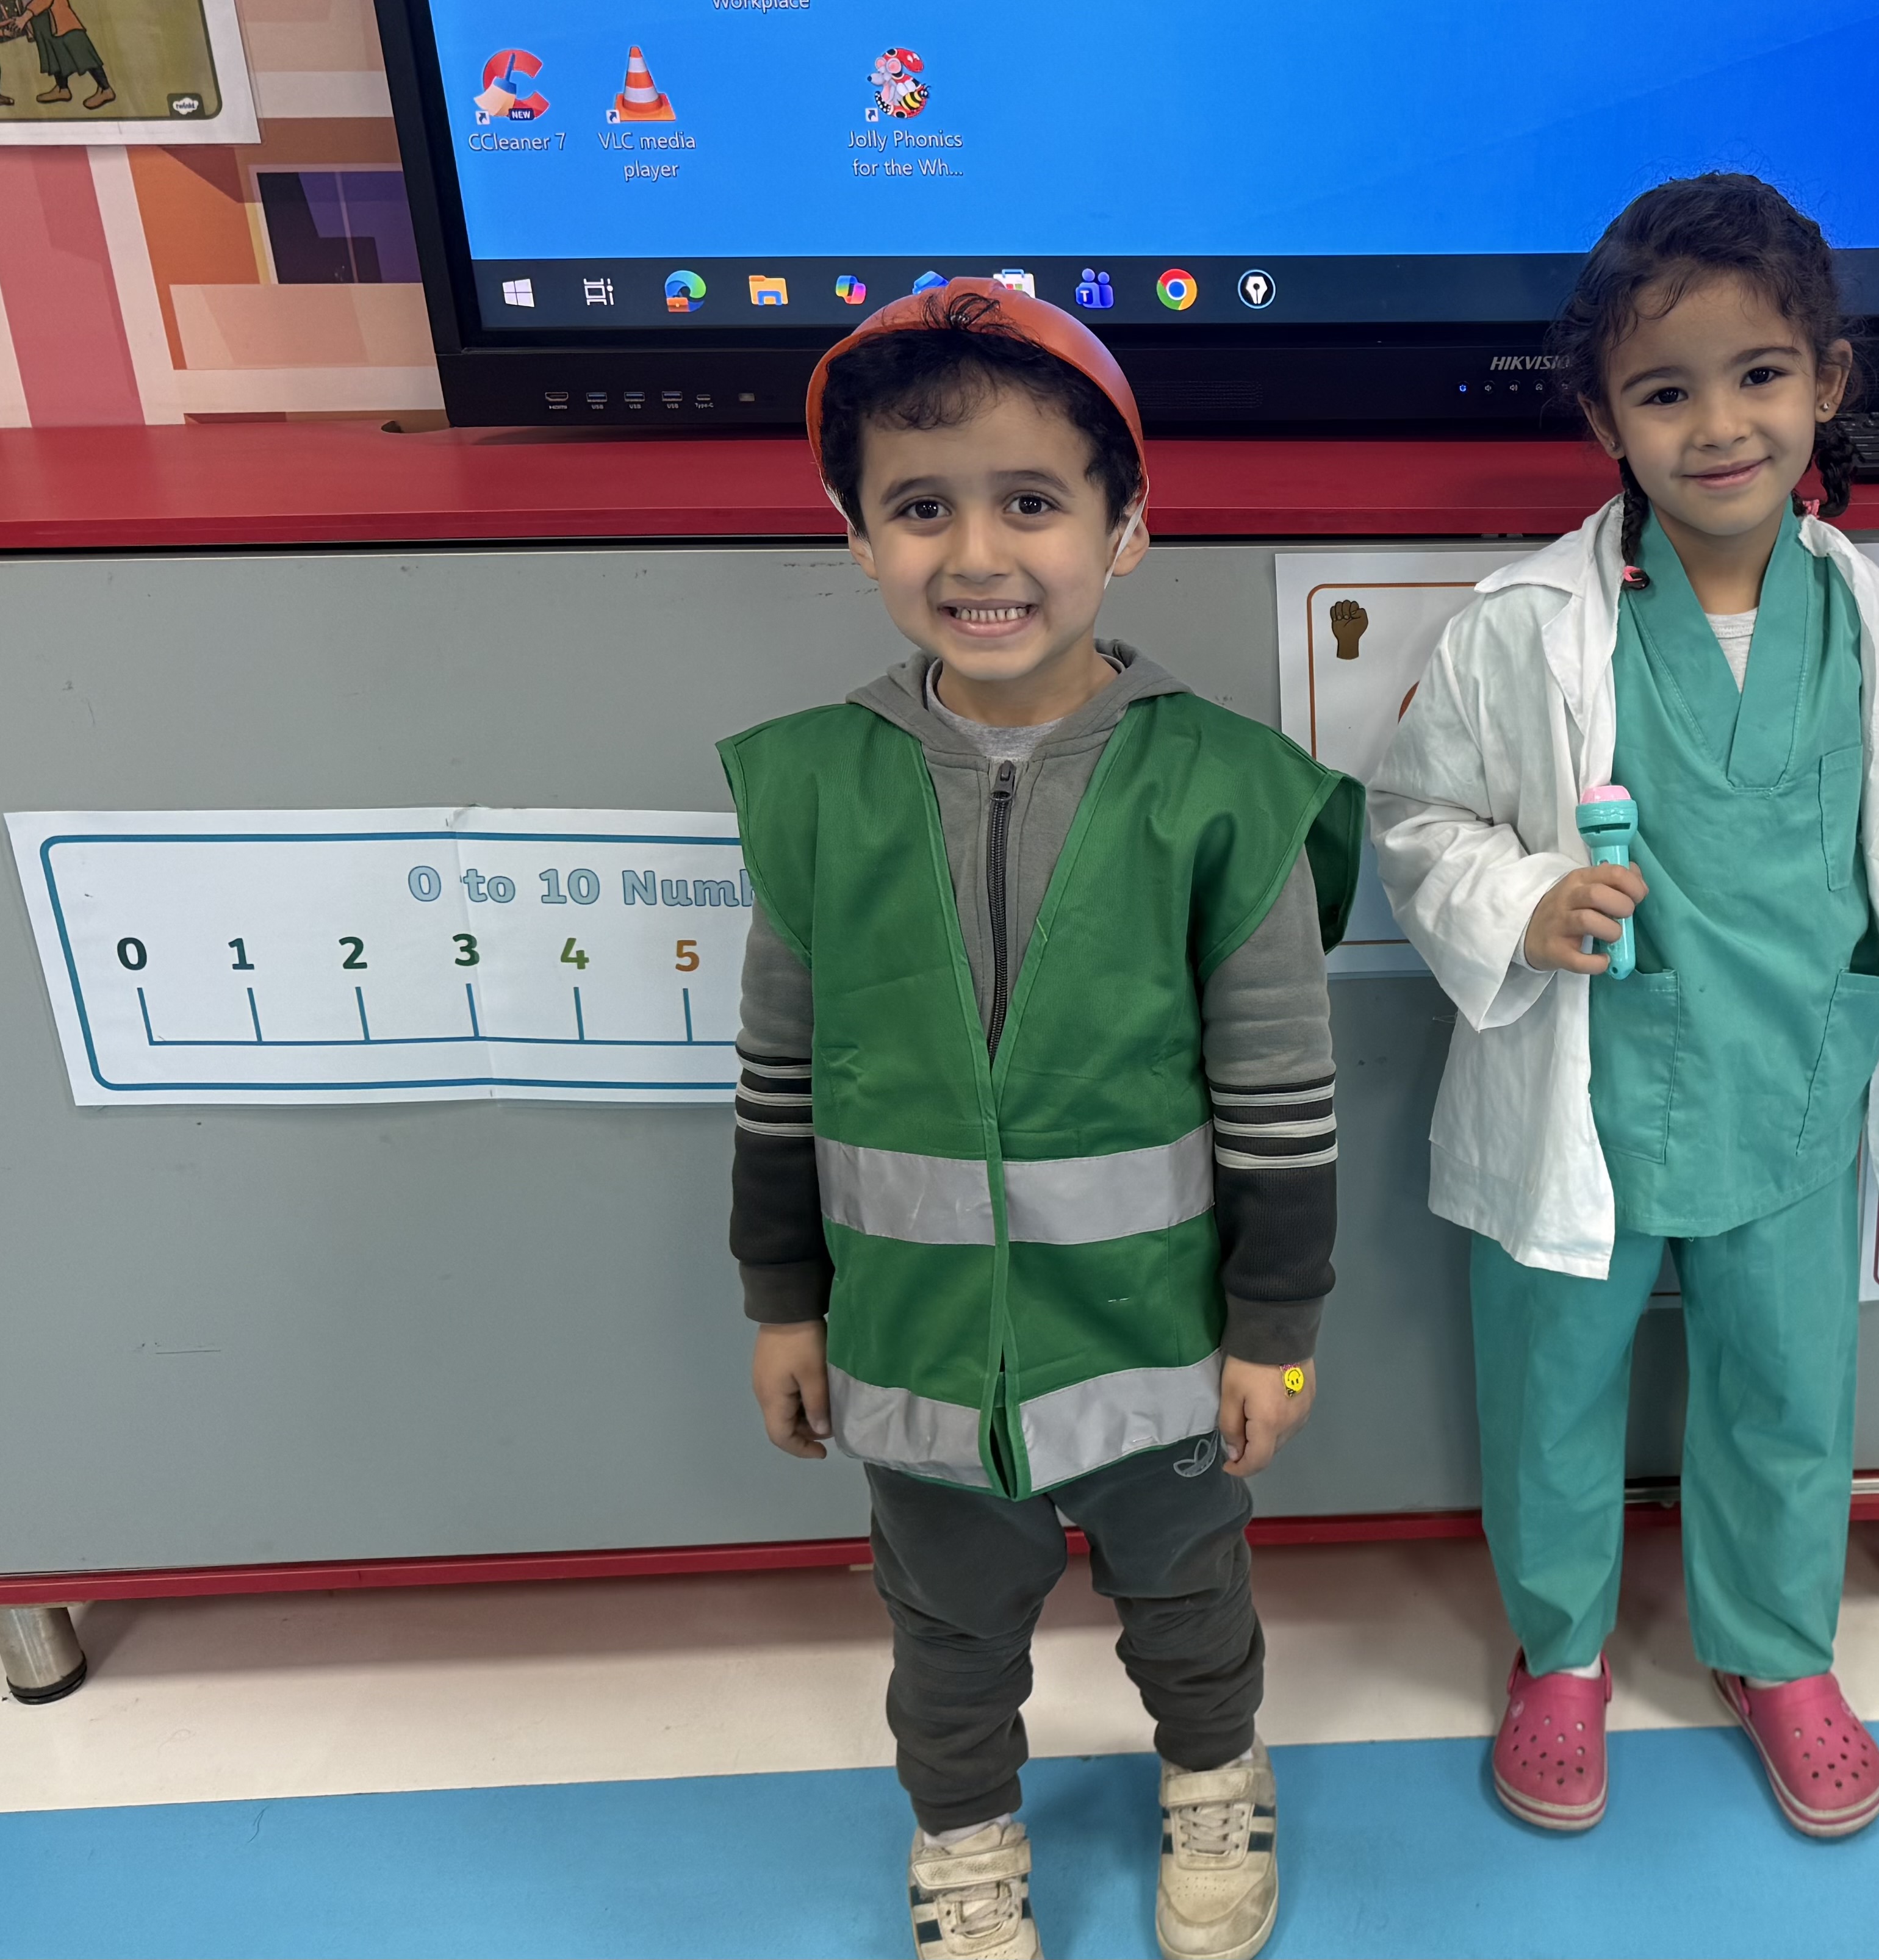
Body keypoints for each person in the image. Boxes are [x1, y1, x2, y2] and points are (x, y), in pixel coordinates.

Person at [1370, 175, 1879, 1838]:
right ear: (1604, 419)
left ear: (1827, 381)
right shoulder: (1522, 628)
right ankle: (1560, 1655)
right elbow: (1417, 820)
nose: (1718, 425)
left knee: (1788, 1388)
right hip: (1591, 1085)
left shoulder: (1871, 620)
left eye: (1759, 375)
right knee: (1552, 1391)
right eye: (1665, 390)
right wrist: (1521, 901)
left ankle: (1776, 1650)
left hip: (1793, 1086)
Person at [720, 279, 1359, 1960]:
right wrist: (783, 1302)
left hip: (1158, 1340)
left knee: (1191, 1599)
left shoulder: (1225, 789)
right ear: (859, 535)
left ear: (1124, 527)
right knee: (944, 1631)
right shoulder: (816, 790)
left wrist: (1274, 1334)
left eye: (1030, 501)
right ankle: (964, 1839)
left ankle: (1215, 1779)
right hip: (918, 1345)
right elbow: (778, 1075)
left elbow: (1283, 1095)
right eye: (922, 507)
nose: (978, 552)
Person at [24, 0, 115, 111]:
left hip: (60, 19)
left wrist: (25, 16)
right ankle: (62, 89)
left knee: (84, 54)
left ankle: (105, 90)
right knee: (55, 55)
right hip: (43, 21)